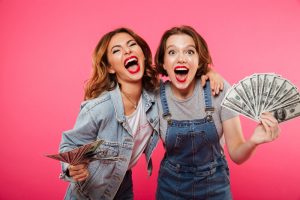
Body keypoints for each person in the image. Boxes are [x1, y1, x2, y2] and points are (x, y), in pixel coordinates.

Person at [58, 27, 223, 200]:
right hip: (88, 192)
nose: (127, 50)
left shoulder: (156, 95)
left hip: (122, 185)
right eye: (117, 50)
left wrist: (208, 72)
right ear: (110, 67)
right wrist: (70, 167)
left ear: (143, 55)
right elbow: (70, 144)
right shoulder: (99, 108)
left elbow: (181, 79)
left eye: (131, 45)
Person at [155, 25, 281, 200]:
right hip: (170, 188)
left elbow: (237, 154)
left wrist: (254, 141)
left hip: (215, 186)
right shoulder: (154, 97)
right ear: (163, 63)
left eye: (190, 52)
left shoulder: (219, 91)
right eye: (172, 52)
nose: (181, 58)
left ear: (199, 61)